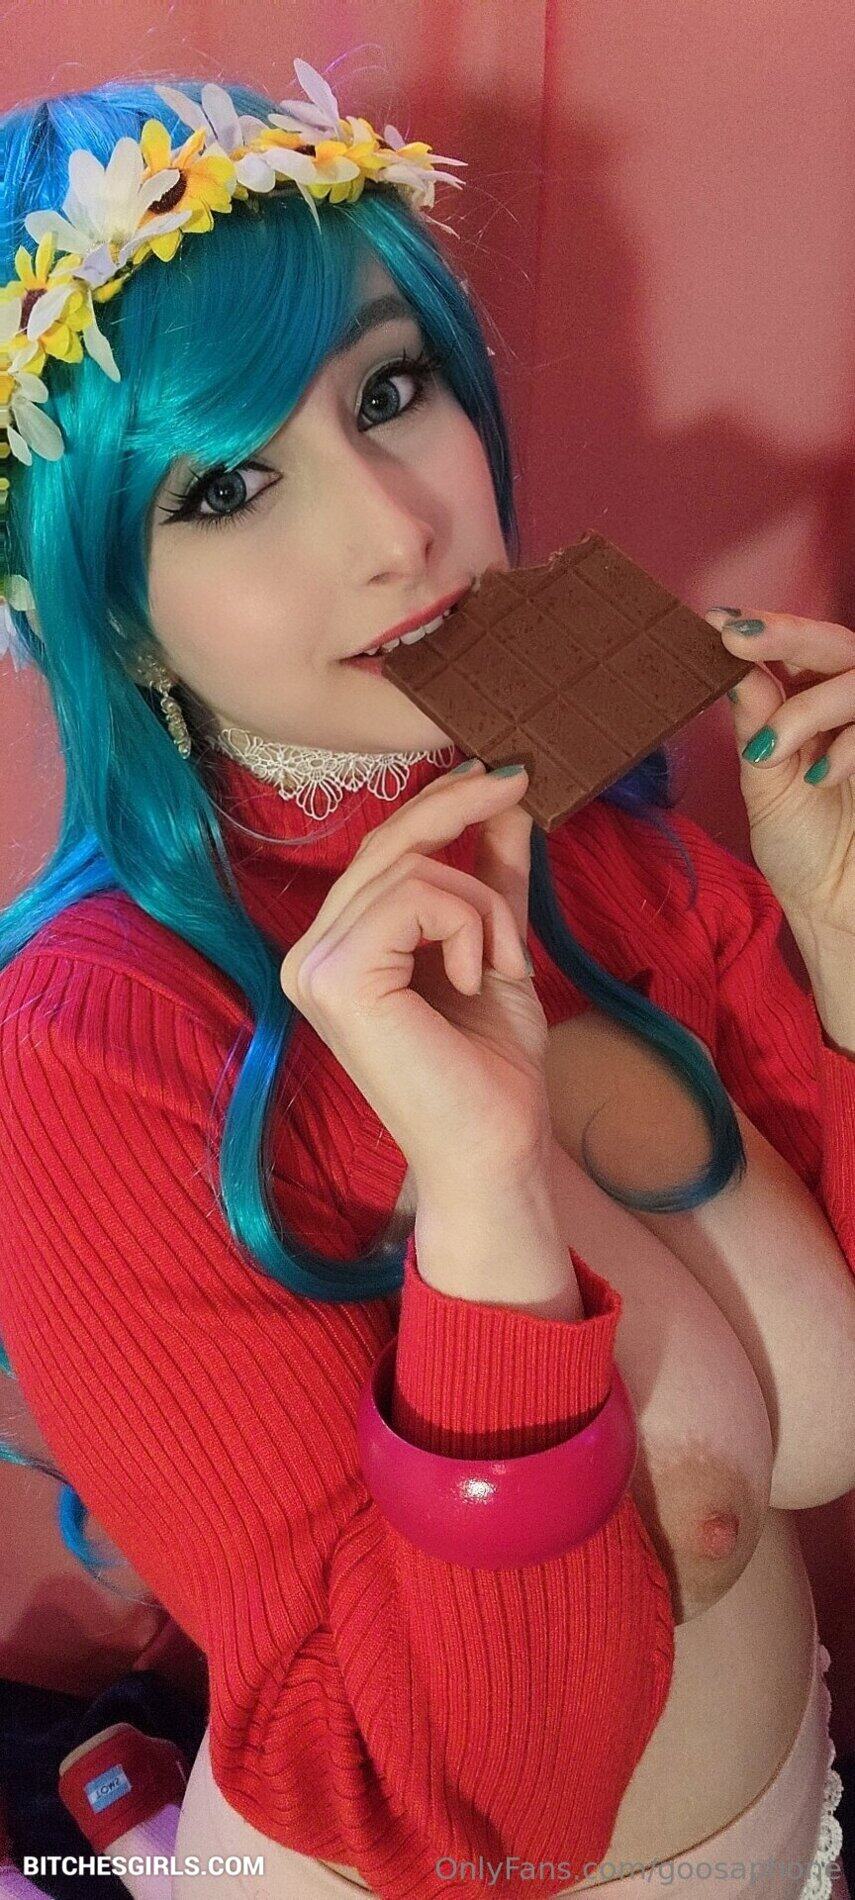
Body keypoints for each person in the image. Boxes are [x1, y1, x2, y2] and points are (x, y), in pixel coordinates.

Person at [0, 59, 853, 1900]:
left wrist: (848, 954)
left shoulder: (611, 844)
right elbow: (456, 1812)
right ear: (106, 615)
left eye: (391, 391)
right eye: (231, 484)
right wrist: (478, 1207)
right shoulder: (91, 1048)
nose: (397, 528)